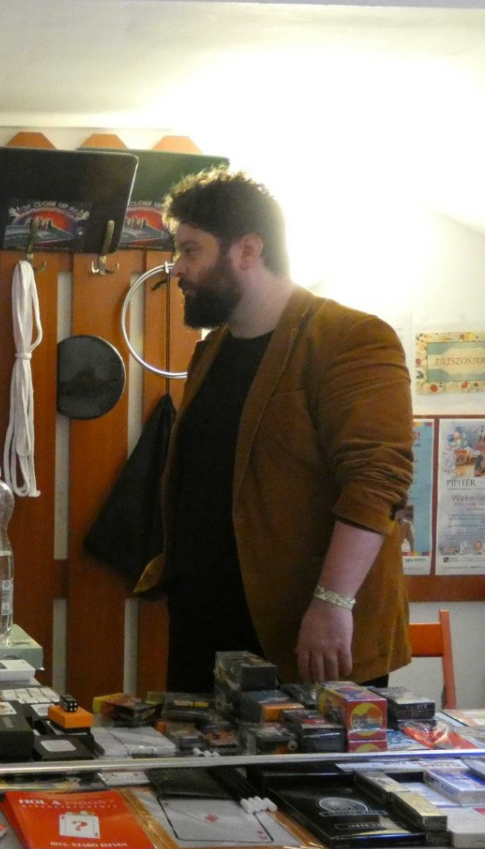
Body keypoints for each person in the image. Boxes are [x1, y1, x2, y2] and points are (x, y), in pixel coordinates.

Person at [135, 169, 414, 692]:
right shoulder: (211, 350)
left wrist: (332, 603)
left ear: (247, 250)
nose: (178, 269)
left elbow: (376, 481)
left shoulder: (352, 337)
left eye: (191, 250)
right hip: (205, 632)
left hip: (306, 637)